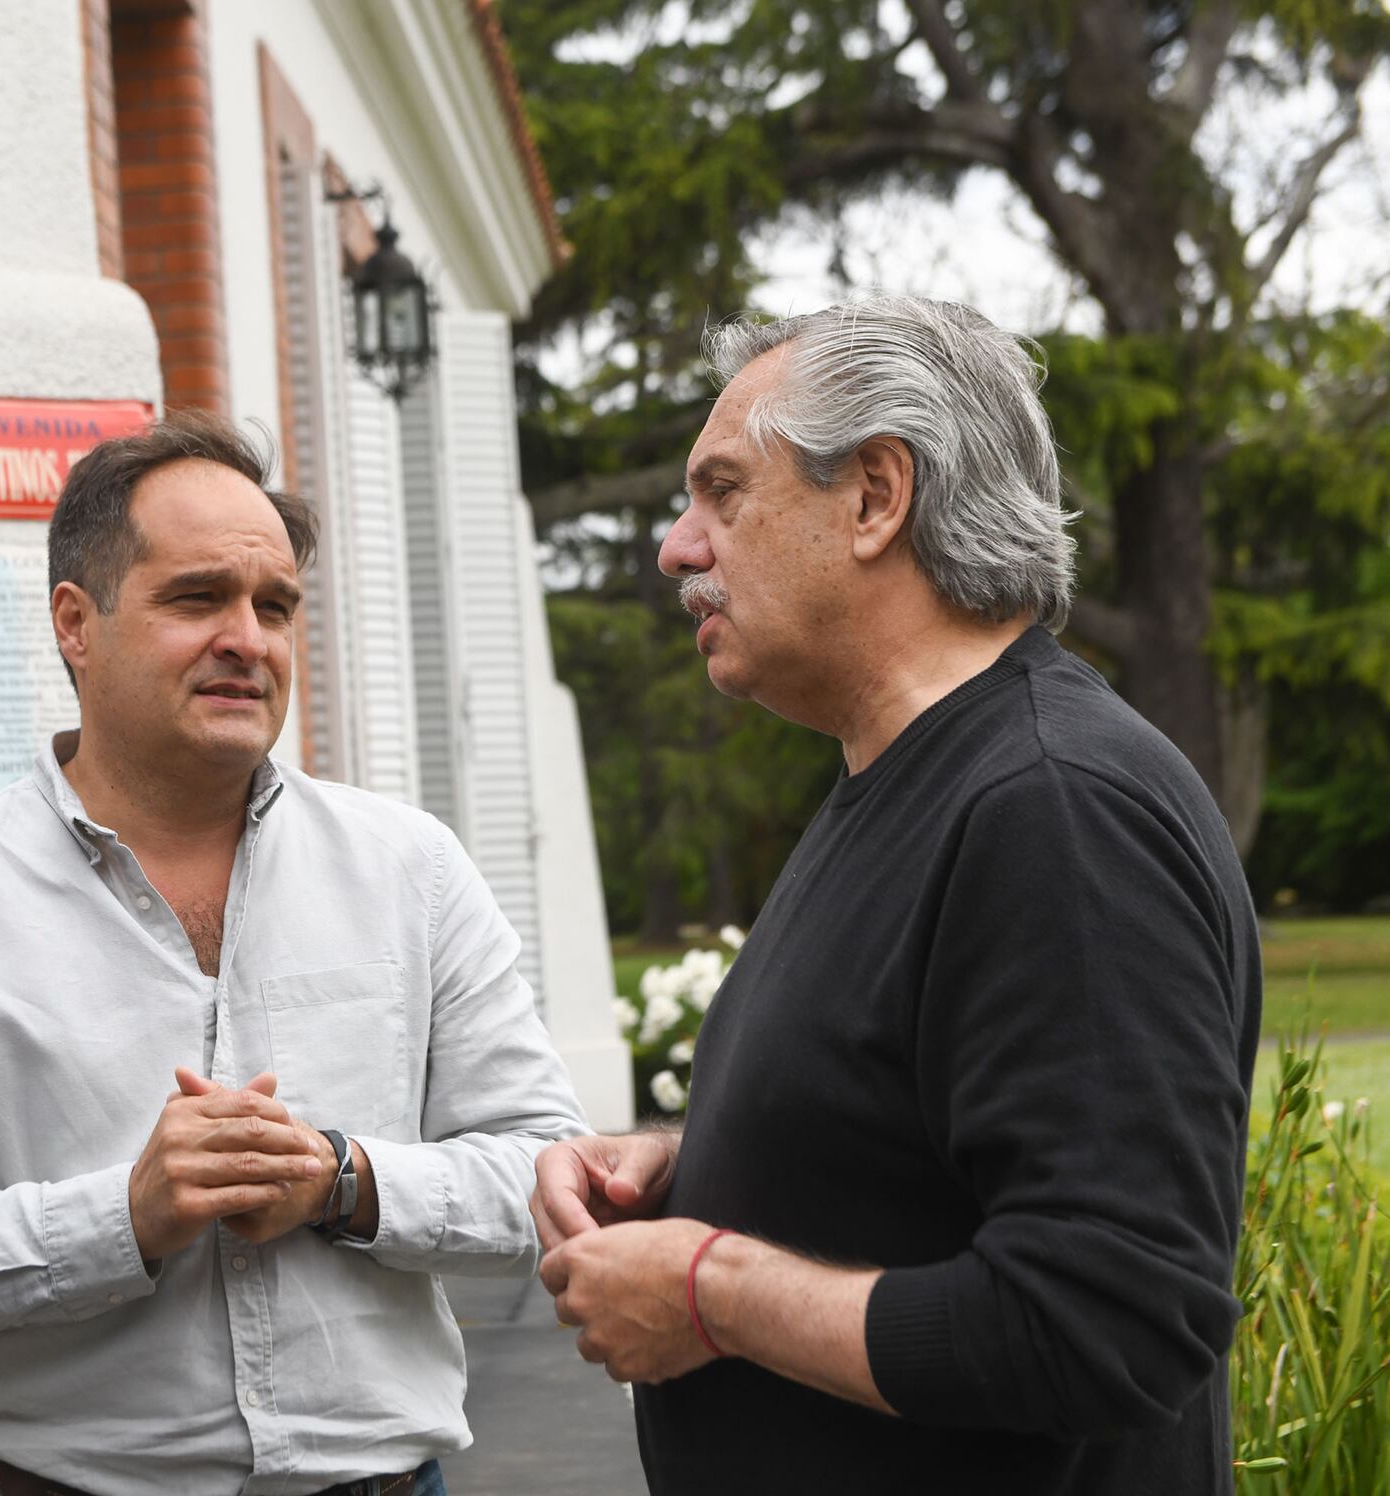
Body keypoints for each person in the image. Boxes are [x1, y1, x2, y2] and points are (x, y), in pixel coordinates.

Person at [530, 295, 1263, 1495]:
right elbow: (920, 1135)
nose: (677, 546)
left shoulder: (1052, 806)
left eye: (723, 491)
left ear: (876, 495)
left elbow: (1114, 1316)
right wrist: (702, 1163)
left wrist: (710, 1289)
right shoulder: (914, 779)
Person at [0, 411, 591, 1496]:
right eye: (198, 598)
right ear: (74, 624)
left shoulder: (408, 868)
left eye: (274, 605)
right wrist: (121, 1218)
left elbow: (546, 1176)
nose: (250, 637)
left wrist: (346, 1178)